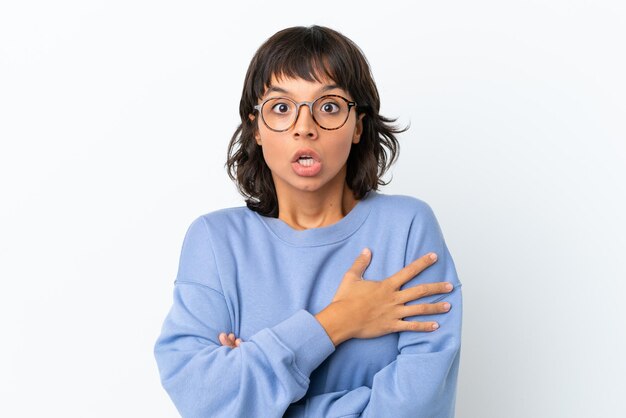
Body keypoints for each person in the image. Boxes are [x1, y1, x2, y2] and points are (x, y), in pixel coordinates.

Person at [154, 25, 462, 418]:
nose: (305, 126)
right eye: (281, 108)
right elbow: (201, 398)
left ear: (358, 126)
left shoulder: (407, 228)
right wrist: (338, 321)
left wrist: (258, 391)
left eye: (329, 106)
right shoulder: (214, 241)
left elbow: (421, 405)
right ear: (256, 128)